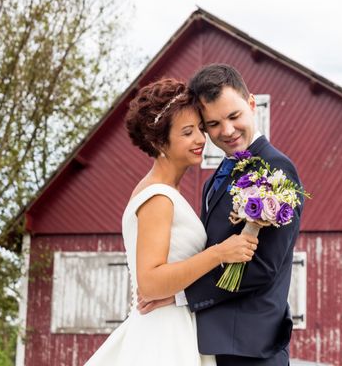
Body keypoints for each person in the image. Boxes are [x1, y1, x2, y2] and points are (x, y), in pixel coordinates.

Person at [85, 78, 258, 366]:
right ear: (157, 141)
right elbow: (150, 283)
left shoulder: (168, 192)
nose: (201, 140)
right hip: (163, 333)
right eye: (188, 132)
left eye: (200, 129)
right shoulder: (157, 197)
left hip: (180, 324)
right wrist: (219, 253)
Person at [139, 64, 305, 366]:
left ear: (251, 104)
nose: (226, 131)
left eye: (234, 116)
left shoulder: (277, 170)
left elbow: (263, 266)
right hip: (215, 343)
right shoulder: (217, 178)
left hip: (252, 348)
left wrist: (180, 296)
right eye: (213, 123)